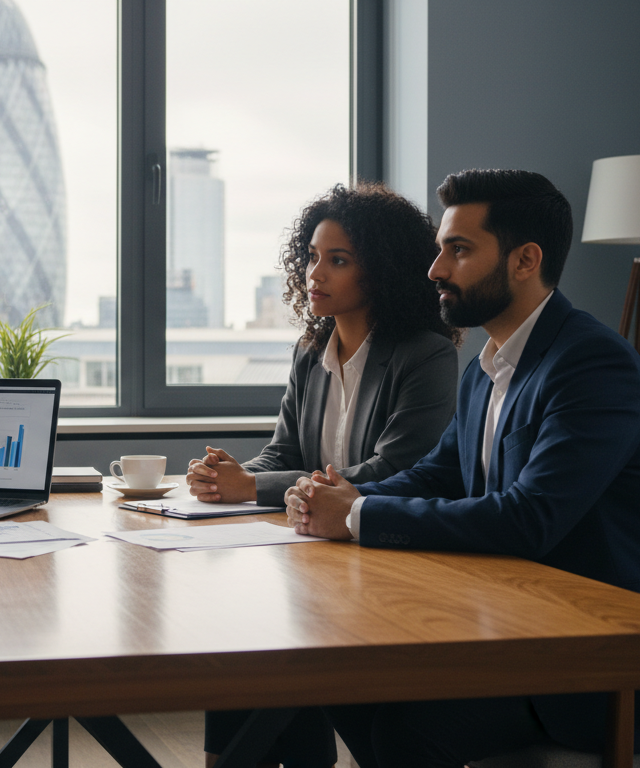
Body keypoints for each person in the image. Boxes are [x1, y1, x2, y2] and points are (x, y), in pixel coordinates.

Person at [285, 169, 640, 767]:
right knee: (342, 682)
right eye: (441, 248)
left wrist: (358, 513)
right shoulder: (486, 367)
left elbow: (529, 518)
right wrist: (338, 493)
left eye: (458, 250)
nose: (436, 269)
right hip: (516, 634)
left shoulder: (593, 365)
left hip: (612, 662)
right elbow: (438, 474)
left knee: (405, 724)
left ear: (525, 260)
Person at [187, 183, 462, 768]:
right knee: (239, 646)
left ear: (382, 271)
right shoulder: (312, 349)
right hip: (313, 560)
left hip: (386, 567)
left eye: (337, 260)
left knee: (260, 646)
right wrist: (229, 474)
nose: (316, 272)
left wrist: (254, 488)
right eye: (312, 257)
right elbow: (283, 451)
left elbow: (396, 469)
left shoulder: (425, 354)